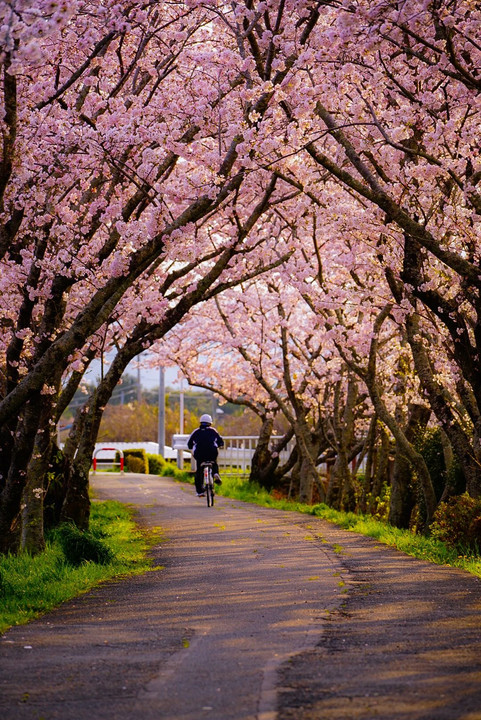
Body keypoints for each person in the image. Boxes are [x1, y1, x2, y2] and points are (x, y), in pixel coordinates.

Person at [187, 414, 224, 497]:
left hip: (200, 454)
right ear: (210, 423)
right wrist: (220, 445)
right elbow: (220, 441)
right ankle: (215, 473)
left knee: (199, 471)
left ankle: (200, 491)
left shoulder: (196, 431)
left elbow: (189, 443)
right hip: (212, 452)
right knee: (214, 462)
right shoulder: (213, 431)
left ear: (201, 422)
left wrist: (191, 447)